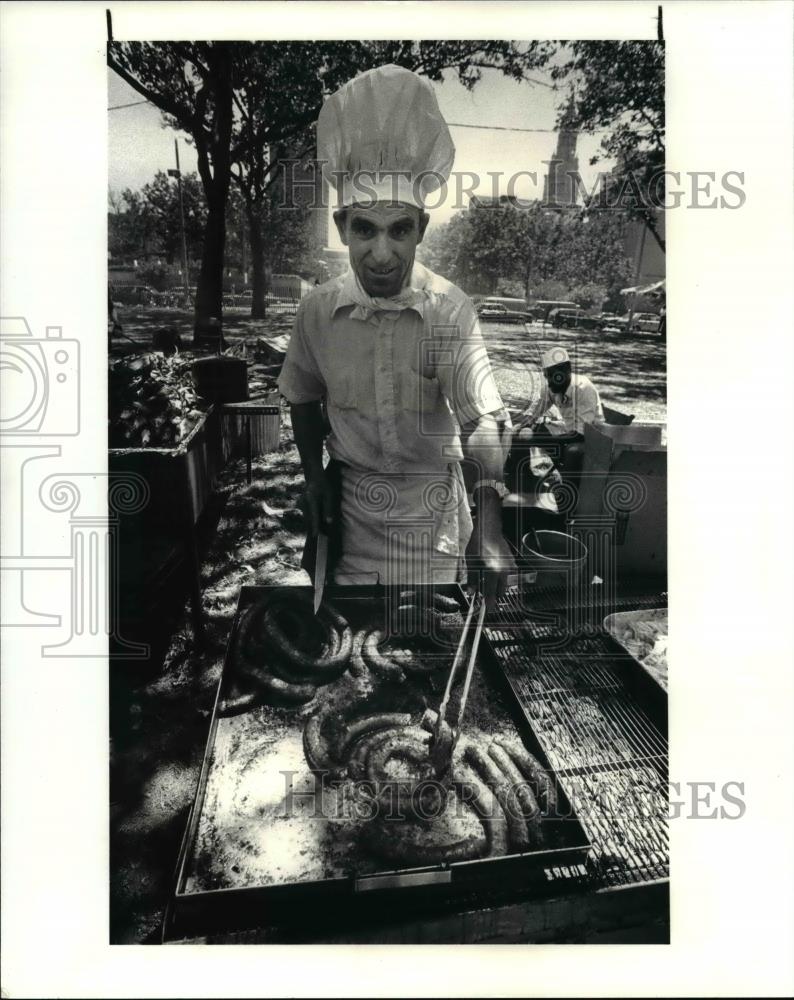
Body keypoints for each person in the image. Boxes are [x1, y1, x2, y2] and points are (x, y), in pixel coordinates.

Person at [277, 65, 514, 606]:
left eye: (399, 230)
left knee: (425, 653)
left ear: (420, 230)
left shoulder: (450, 311)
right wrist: (313, 476)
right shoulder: (316, 313)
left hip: (434, 527)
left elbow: (484, 421)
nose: (381, 254)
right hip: (353, 520)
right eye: (364, 229)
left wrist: (493, 527)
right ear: (342, 228)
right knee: (351, 646)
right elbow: (305, 399)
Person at [506, 346, 604, 490]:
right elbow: (535, 413)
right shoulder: (553, 387)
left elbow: (580, 435)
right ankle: (523, 480)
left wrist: (537, 440)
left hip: (592, 438)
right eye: (547, 377)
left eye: (554, 377)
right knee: (527, 433)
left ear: (567, 372)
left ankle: (570, 493)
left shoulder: (584, 388)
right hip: (569, 432)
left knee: (573, 451)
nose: (550, 382)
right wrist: (522, 426)